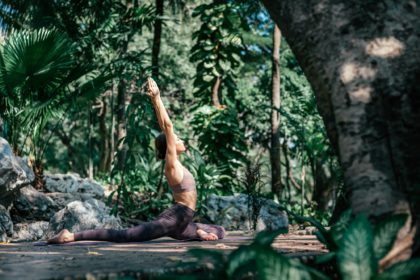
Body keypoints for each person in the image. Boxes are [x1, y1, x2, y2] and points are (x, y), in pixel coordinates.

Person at [48, 78, 225, 244]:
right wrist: (157, 98)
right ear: (170, 145)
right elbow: (168, 127)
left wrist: (156, 102)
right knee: (126, 235)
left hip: (183, 219)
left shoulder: (177, 162)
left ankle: (196, 232)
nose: (181, 141)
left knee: (220, 231)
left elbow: (165, 127)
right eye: (177, 139)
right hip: (174, 218)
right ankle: (70, 236)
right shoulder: (171, 164)